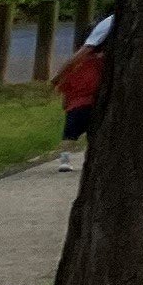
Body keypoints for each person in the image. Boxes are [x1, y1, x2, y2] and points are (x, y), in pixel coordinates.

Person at [53, 20, 108, 172]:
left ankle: (64, 161)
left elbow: (65, 88)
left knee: (69, 136)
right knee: (94, 134)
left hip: (75, 106)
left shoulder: (74, 65)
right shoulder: (101, 62)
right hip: (93, 104)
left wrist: (66, 104)